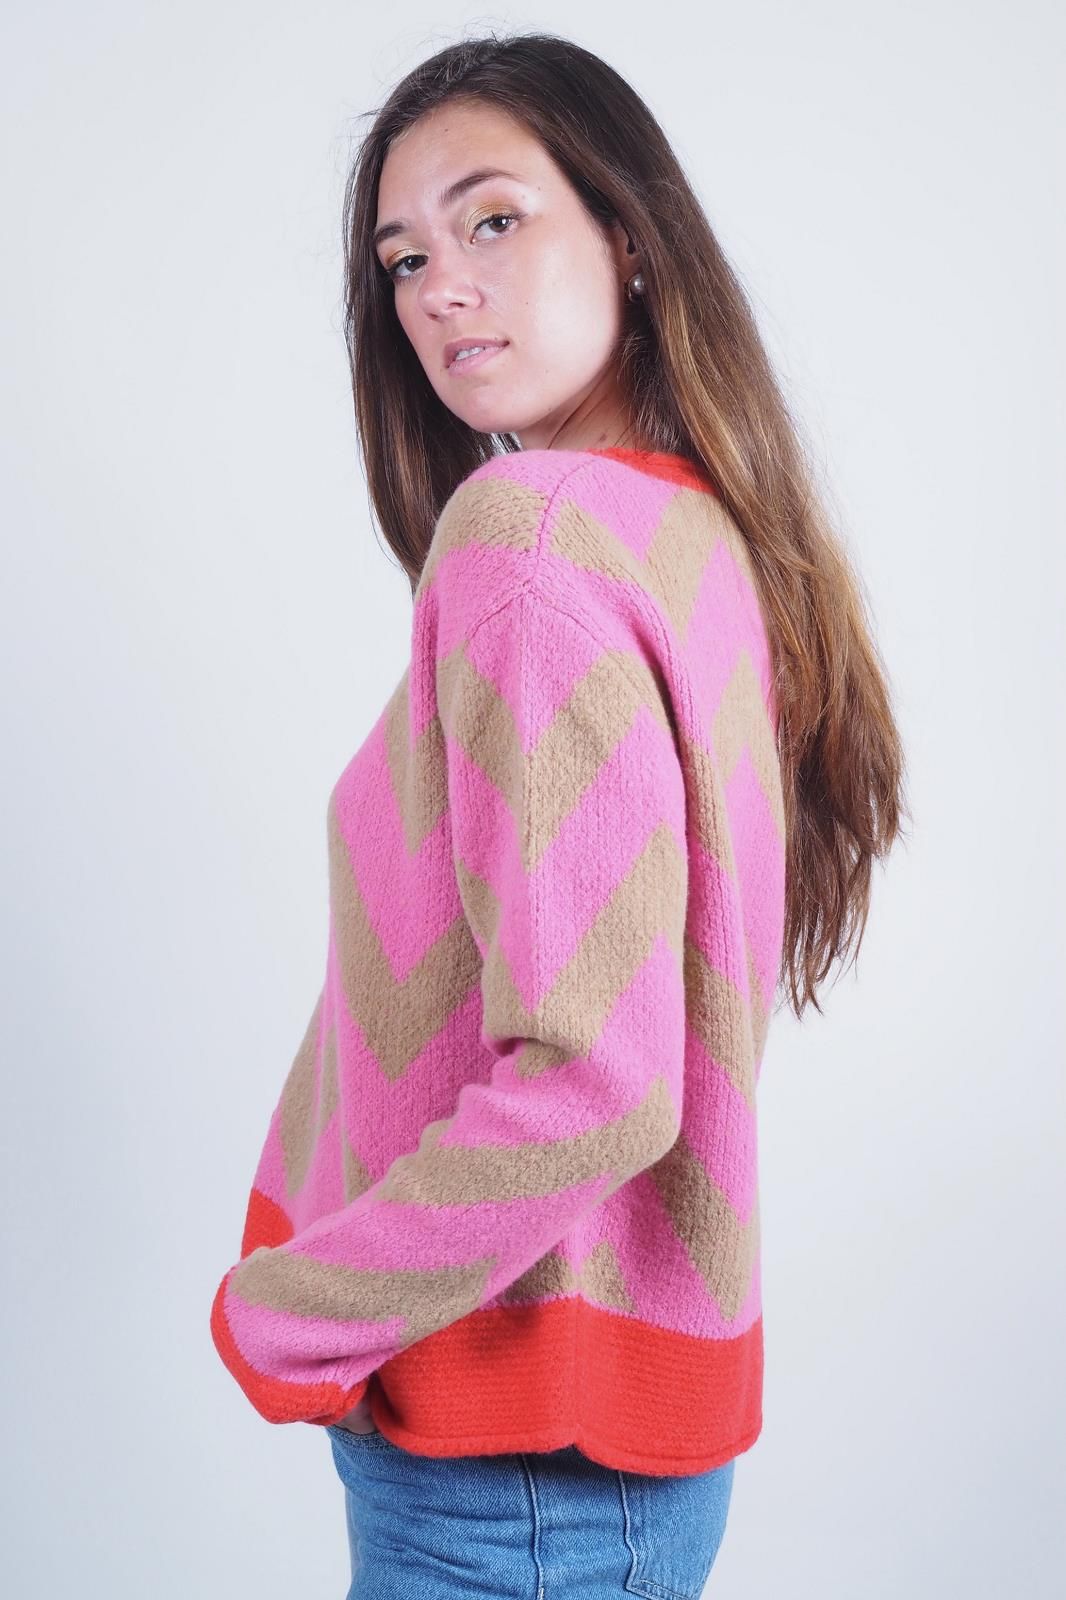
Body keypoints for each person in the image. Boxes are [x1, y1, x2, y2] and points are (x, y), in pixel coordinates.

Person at [209, 30, 909, 1598]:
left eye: (493, 220)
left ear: (631, 237)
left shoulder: (526, 539)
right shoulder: (702, 538)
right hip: (618, 1456)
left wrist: (286, 1312)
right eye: (403, 258)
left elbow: (599, 1080)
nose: (439, 289)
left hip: (507, 1453)